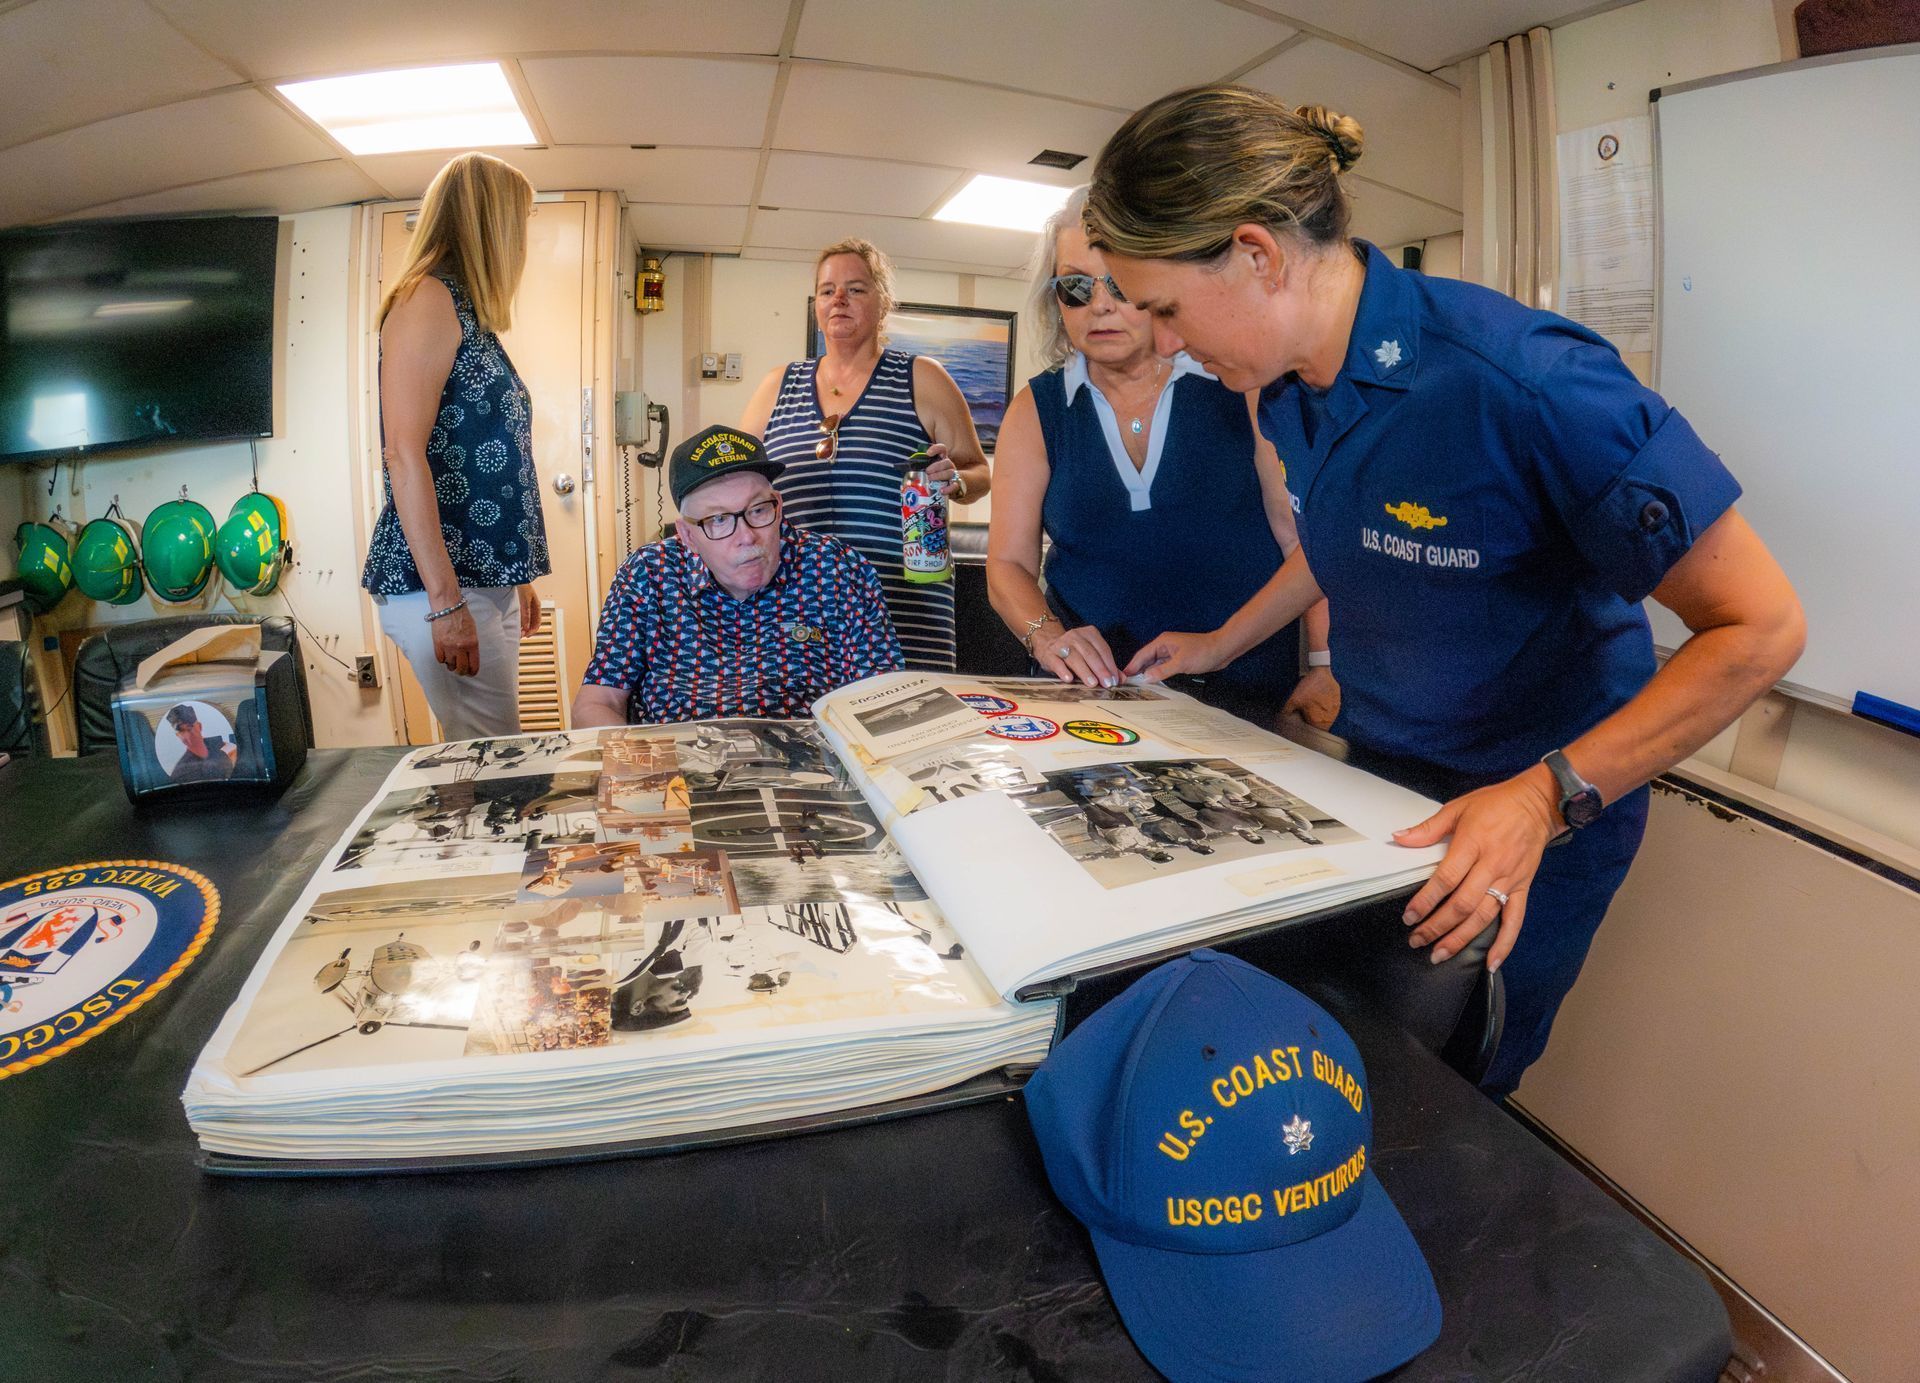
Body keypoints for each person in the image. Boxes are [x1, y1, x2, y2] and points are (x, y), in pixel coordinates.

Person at [1086, 86, 1805, 1097]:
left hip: (1525, 807)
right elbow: (1359, 541)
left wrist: (1544, 799)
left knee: (1436, 1097)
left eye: (1163, 308)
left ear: (1255, 254)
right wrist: (1215, 643)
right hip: (1378, 784)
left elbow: (1763, 628)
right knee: (1313, 1074)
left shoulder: (1525, 384)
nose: (1160, 342)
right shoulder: (1287, 389)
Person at [986, 187, 1338, 727]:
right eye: (1076, 286)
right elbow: (1007, 563)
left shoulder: (1238, 384)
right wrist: (1048, 638)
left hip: (1243, 698)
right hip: (1093, 704)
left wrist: (1323, 664)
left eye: (1120, 286)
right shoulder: (1035, 409)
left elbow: (1305, 543)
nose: (1099, 305)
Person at [361, 151, 548, 740]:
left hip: (481, 579)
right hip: (441, 586)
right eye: (520, 221)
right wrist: (446, 603)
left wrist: (516, 578)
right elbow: (403, 454)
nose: (523, 239)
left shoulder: (469, 311)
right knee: (497, 763)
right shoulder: (428, 299)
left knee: (484, 755)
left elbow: (480, 454)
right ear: (491, 223)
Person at [741, 238, 992, 672]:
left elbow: (979, 472)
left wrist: (958, 481)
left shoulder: (923, 377)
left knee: (907, 728)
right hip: (793, 610)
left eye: (855, 288)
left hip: (904, 607)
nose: (839, 299)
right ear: (816, 305)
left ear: (883, 301)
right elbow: (735, 483)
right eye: (827, 290)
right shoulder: (776, 386)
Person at [571, 425, 904, 727]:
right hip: (677, 777)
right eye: (718, 520)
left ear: (778, 505)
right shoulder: (648, 575)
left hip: (810, 775)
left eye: (758, 510)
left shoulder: (838, 568)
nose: (746, 536)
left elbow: (885, 699)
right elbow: (598, 701)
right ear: (687, 535)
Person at [163, 704, 237, 783]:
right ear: (178, 735)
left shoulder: (222, 753)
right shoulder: (180, 773)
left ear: (199, 726)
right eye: (182, 732)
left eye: (189, 728)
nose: (188, 736)